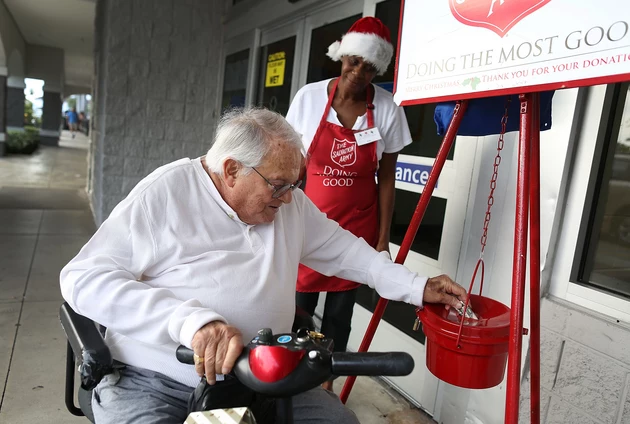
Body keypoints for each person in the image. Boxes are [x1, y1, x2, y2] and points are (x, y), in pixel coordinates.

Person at [60, 107, 466, 424]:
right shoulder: (165, 195)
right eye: (279, 185)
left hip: (265, 375)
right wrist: (190, 322)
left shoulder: (288, 205)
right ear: (232, 169)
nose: (289, 198)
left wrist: (415, 285)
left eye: (295, 184)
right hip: (155, 379)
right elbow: (82, 279)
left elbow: (348, 253)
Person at [285, 16, 413, 390]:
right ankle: (291, 376)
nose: (358, 72)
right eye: (353, 61)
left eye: (369, 67)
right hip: (308, 222)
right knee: (298, 308)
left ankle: (325, 384)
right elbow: (292, 162)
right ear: (341, 56)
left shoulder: (388, 107)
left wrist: (383, 238)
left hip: (359, 224)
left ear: (379, 69)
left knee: (340, 314)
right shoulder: (309, 97)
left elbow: (386, 178)